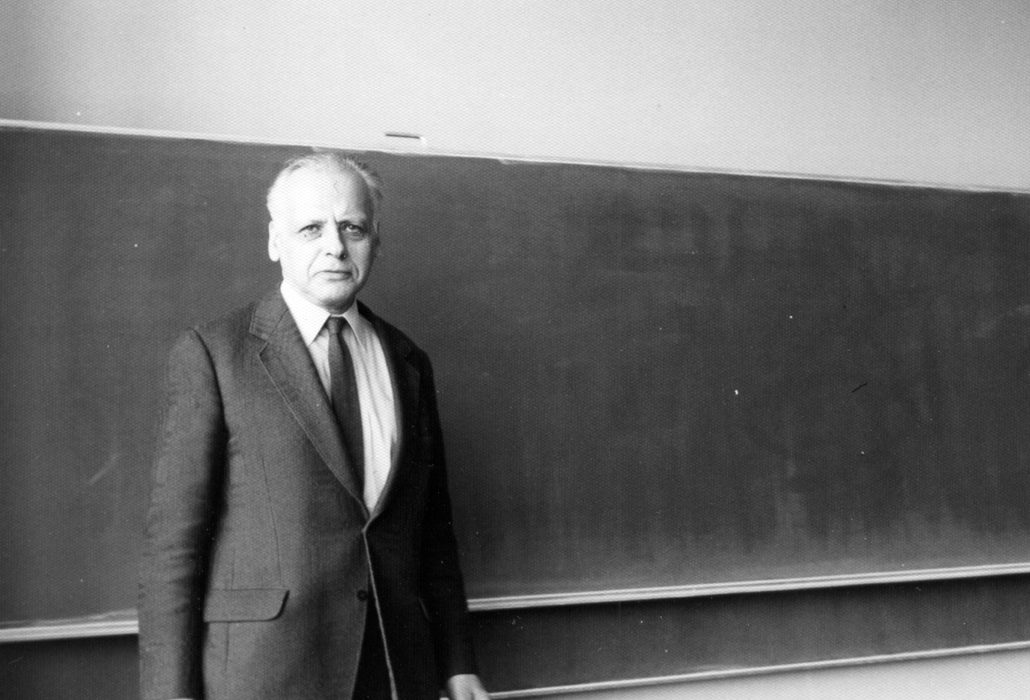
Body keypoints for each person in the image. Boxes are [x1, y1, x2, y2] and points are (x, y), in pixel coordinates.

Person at [139, 152, 489, 700]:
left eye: (353, 227)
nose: (335, 246)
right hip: (264, 675)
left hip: (396, 670)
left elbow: (434, 534)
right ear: (276, 241)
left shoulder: (408, 360)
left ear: (376, 240)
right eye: (312, 228)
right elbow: (173, 548)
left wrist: (457, 662)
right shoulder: (214, 353)